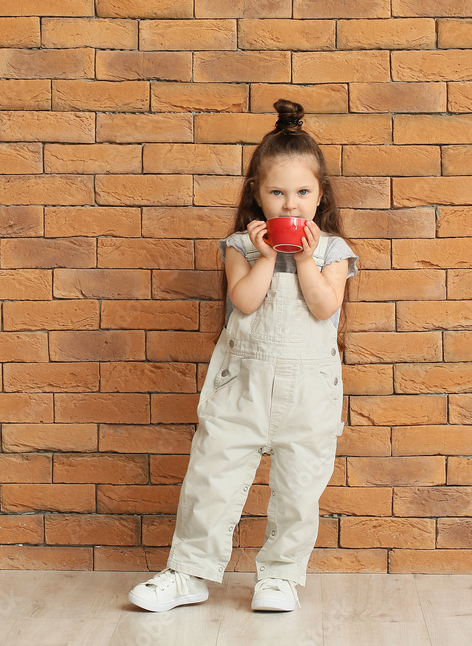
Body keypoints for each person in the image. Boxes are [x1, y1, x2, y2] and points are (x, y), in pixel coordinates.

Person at [128, 99, 359, 613]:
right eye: (277, 193)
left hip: (308, 394)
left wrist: (303, 259)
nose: (290, 205)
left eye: (302, 192)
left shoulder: (334, 252)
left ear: (320, 197)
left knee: (299, 493)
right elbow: (245, 301)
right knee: (211, 478)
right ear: (258, 195)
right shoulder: (241, 246)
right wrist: (270, 254)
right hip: (242, 387)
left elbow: (325, 307)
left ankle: (279, 577)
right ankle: (189, 572)